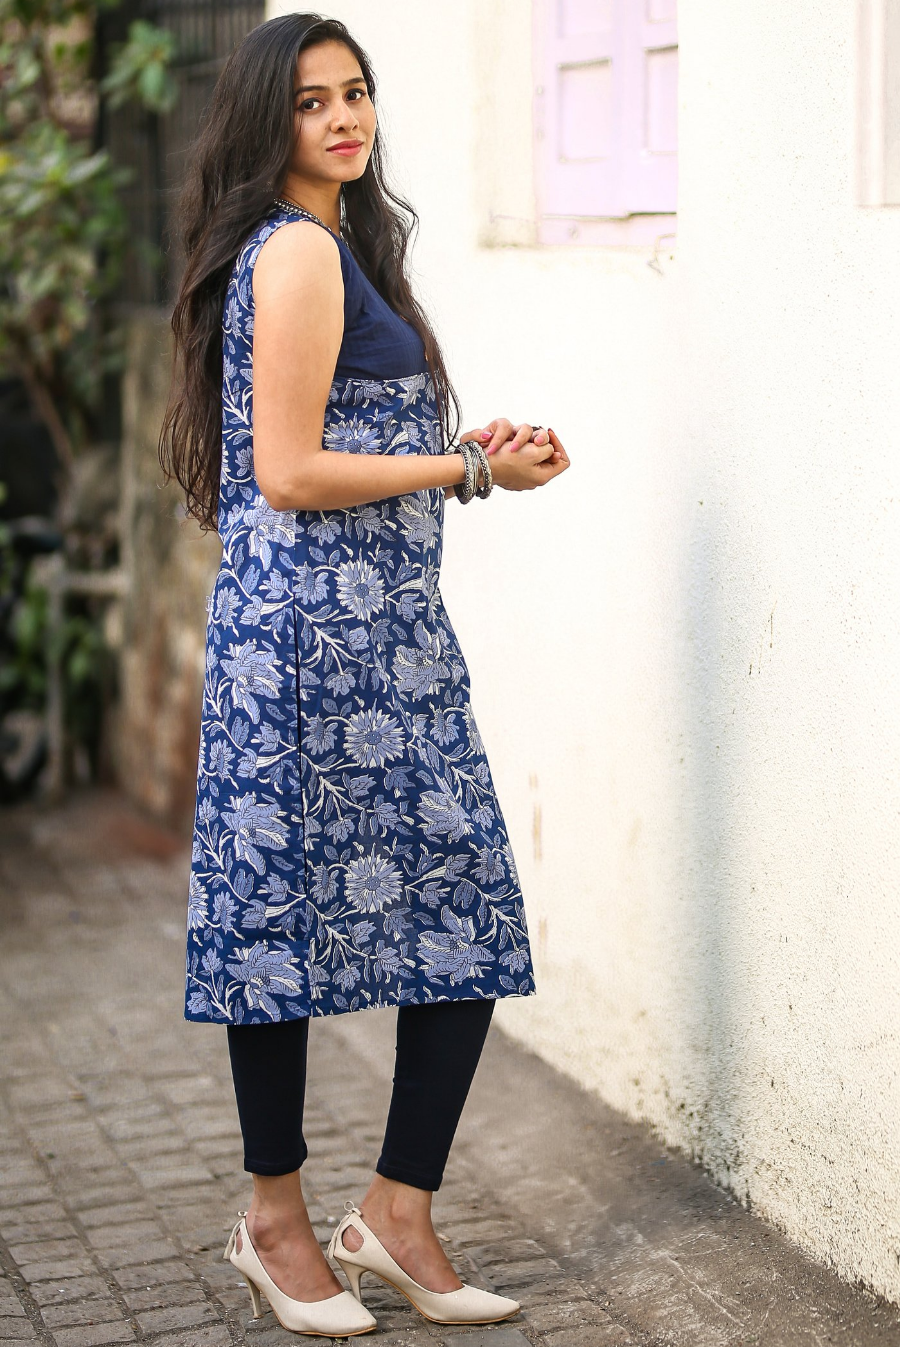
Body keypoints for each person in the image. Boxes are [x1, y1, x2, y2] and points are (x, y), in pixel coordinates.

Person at [159, 12, 570, 1337]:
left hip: (387, 640)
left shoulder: (345, 247)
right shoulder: (293, 253)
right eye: (311, 100)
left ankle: (393, 1214)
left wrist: (464, 445)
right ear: (267, 120)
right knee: (281, 938)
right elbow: (286, 471)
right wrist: (469, 469)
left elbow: (344, 435)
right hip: (302, 648)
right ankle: (276, 1224)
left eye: (357, 92)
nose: (343, 117)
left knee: (460, 914)